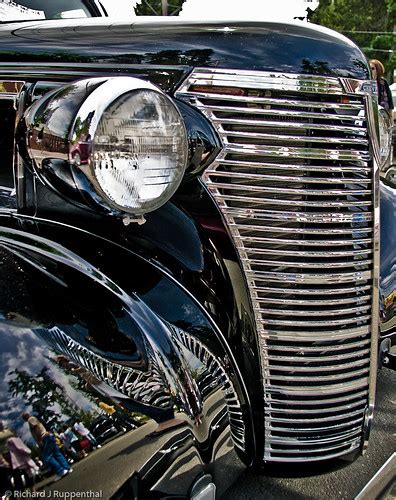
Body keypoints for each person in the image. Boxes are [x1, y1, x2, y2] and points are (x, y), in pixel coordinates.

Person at [21, 413, 72, 480]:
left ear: (25, 417)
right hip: (48, 436)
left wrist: (39, 440)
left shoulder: (30, 419)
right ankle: (67, 468)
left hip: (44, 438)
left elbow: (36, 428)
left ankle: (61, 471)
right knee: (57, 454)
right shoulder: (34, 418)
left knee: (47, 457)